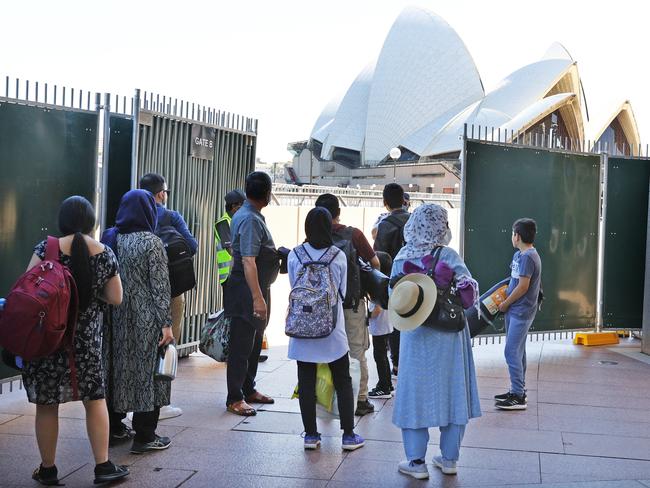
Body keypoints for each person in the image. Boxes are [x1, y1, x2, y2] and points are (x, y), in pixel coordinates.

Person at [24, 196, 129, 485]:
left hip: (48, 341)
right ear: (91, 222)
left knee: (47, 404)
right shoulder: (104, 252)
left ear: (63, 220)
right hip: (85, 344)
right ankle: (103, 466)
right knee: (95, 401)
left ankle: (48, 469)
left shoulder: (47, 249)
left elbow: (28, 292)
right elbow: (116, 298)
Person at [390, 204, 481, 479]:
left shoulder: (402, 256)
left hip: (415, 334)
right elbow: (470, 295)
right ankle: (450, 459)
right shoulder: (449, 255)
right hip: (449, 337)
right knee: (453, 391)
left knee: (415, 394)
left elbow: (393, 298)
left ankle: (416, 463)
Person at [101, 189, 175, 454]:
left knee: (117, 371)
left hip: (115, 318)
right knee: (149, 375)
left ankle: (113, 428)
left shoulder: (111, 238)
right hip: (145, 319)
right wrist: (166, 324)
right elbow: (160, 288)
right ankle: (145, 436)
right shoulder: (151, 242)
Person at [287, 207, 365, 451]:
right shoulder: (336, 255)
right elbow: (341, 292)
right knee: (342, 380)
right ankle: (349, 435)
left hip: (302, 331)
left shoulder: (295, 255)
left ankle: (311, 435)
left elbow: (294, 285)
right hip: (332, 331)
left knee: (306, 382)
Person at [315, 193, 379, 416]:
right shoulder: (354, 234)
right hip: (352, 303)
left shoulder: (311, 237)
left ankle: (325, 397)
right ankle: (360, 400)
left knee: (324, 352)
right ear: (338, 212)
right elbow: (375, 263)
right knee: (356, 351)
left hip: (322, 306)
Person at [140, 173, 198, 419]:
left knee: (143, 346)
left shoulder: (136, 217)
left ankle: (138, 401)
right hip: (172, 291)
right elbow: (192, 246)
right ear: (161, 193)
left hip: (141, 292)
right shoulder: (171, 217)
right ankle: (161, 404)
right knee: (168, 345)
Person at [224, 172, 280, 416]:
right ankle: (234, 397)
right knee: (241, 344)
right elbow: (248, 261)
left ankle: (248, 388)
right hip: (246, 290)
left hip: (256, 288)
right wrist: (257, 298)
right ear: (267, 194)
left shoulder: (250, 215)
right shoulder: (249, 219)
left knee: (255, 341)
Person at [495, 218, 542, 410]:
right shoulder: (520, 256)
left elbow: (523, 286)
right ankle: (518, 389)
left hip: (520, 310)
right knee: (518, 351)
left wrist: (505, 303)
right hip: (516, 309)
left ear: (518, 236)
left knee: (511, 351)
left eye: (513, 233)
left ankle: (518, 396)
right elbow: (514, 282)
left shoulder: (528, 257)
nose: (511, 237)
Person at [374, 183, 411, 378]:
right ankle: (410, 359)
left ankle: (396, 363)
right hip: (415, 277)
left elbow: (378, 256)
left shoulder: (385, 225)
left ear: (385, 202)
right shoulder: (414, 220)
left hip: (394, 278)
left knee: (396, 321)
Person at [368, 251, 394, 399]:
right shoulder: (387, 281)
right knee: (382, 354)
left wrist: (366, 318)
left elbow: (377, 308)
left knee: (380, 356)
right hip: (386, 324)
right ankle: (388, 384)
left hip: (380, 326)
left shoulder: (378, 283)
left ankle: (383, 387)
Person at [214, 190, 246, 285]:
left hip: (237, 273)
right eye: (242, 206)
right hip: (229, 275)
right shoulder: (223, 223)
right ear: (234, 207)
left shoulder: (235, 222)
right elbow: (230, 250)